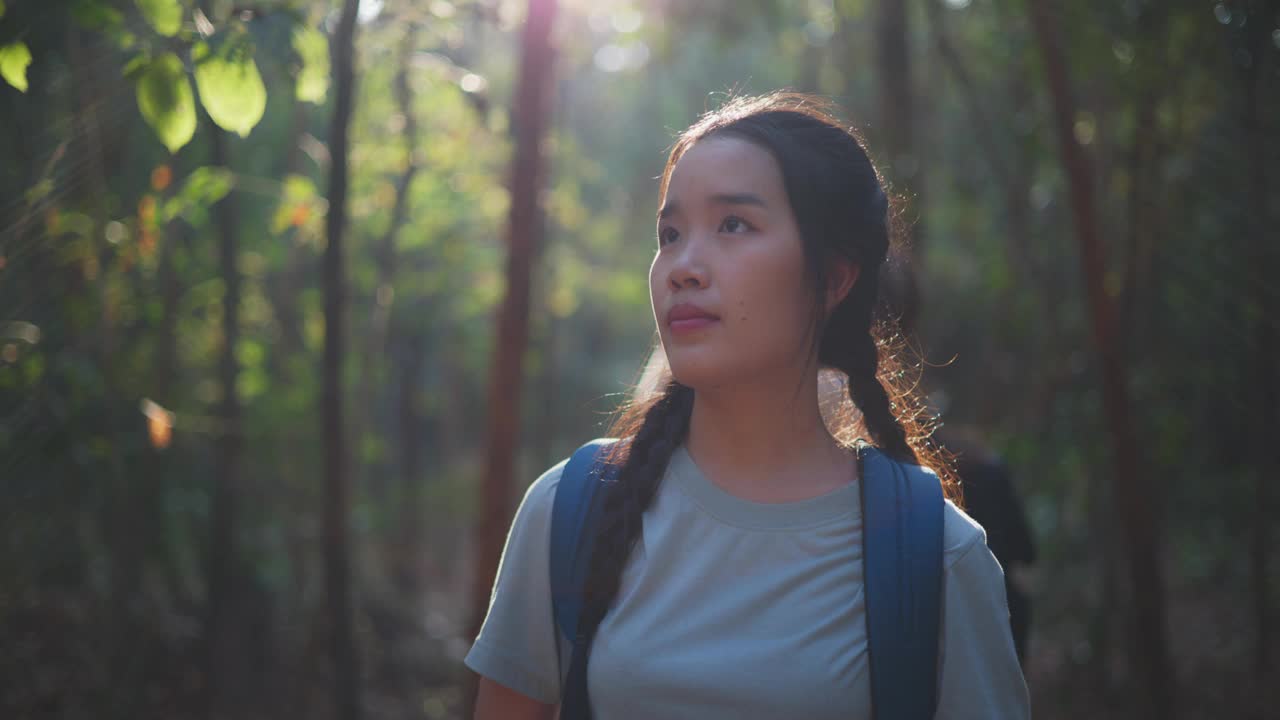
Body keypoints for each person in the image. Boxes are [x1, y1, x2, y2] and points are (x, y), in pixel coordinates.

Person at [465, 92, 1030, 719]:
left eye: (733, 224)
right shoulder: (571, 509)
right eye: (670, 234)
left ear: (833, 278)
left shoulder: (938, 556)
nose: (682, 266)